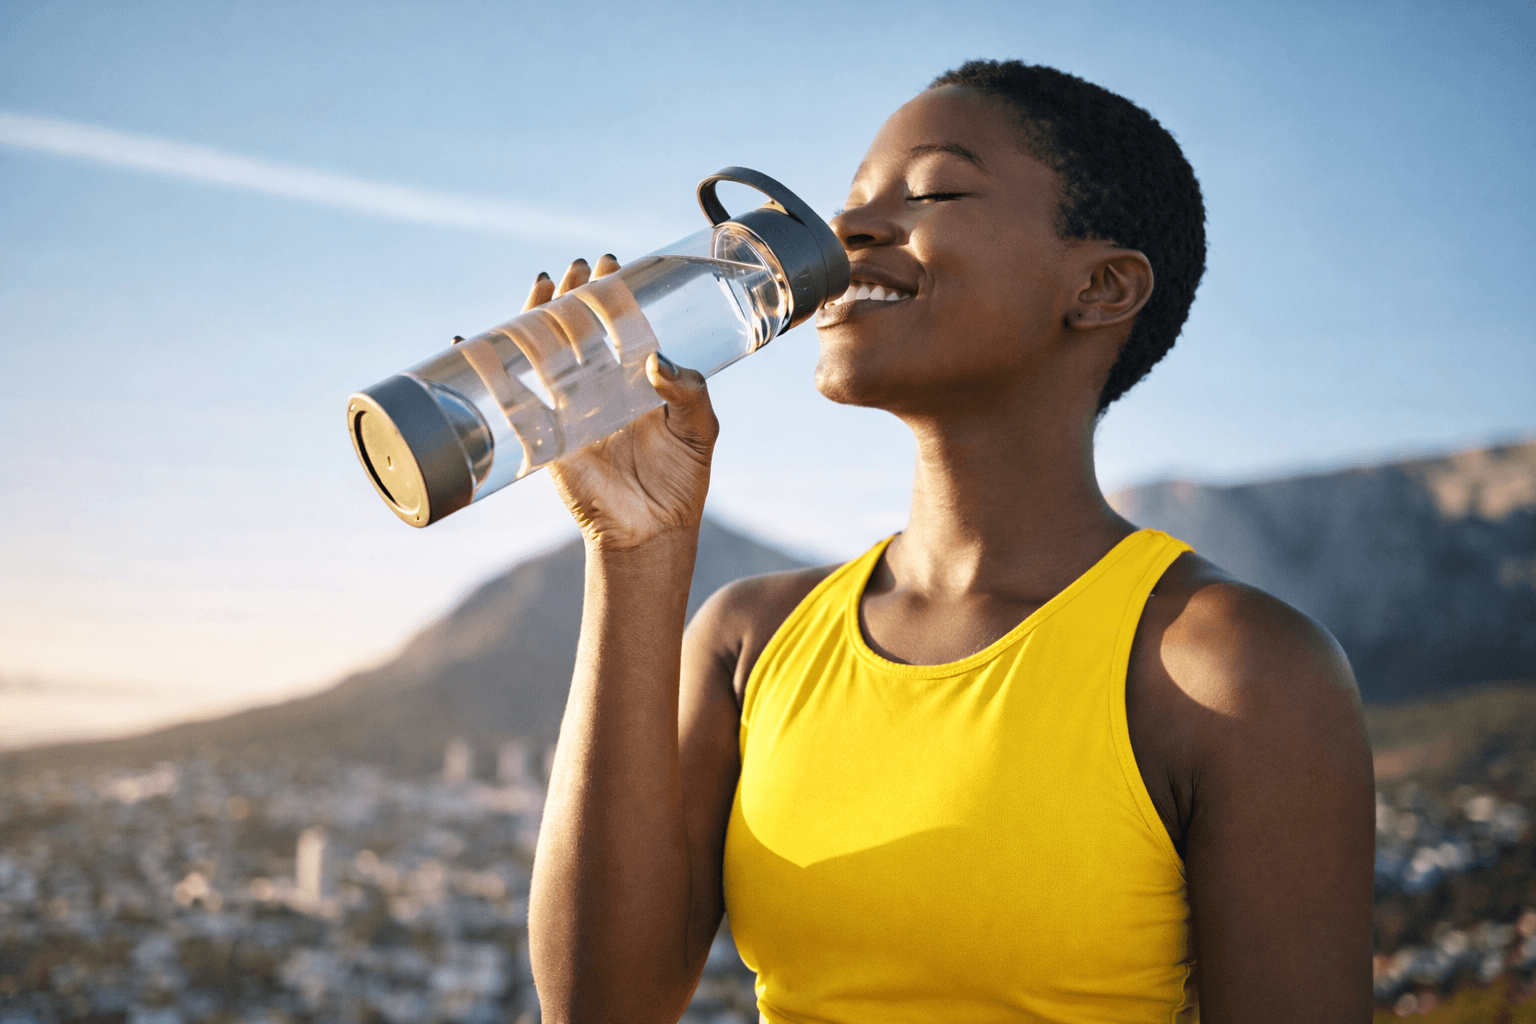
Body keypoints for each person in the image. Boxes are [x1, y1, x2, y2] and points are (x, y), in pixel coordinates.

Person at [526, 60, 1376, 1023]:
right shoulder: (751, 639)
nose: (843, 235)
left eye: (932, 190)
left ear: (1101, 286)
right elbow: (598, 1008)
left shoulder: (1231, 670)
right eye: (851, 205)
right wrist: (633, 552)